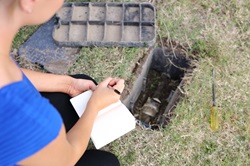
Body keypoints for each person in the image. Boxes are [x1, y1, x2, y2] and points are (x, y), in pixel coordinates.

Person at [0, 0, 125, 165]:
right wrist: (94, 106)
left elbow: (8, 72)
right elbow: (65, 160)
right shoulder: (24, 116)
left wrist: (68, 84)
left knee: (75, 94)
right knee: (106, 163)